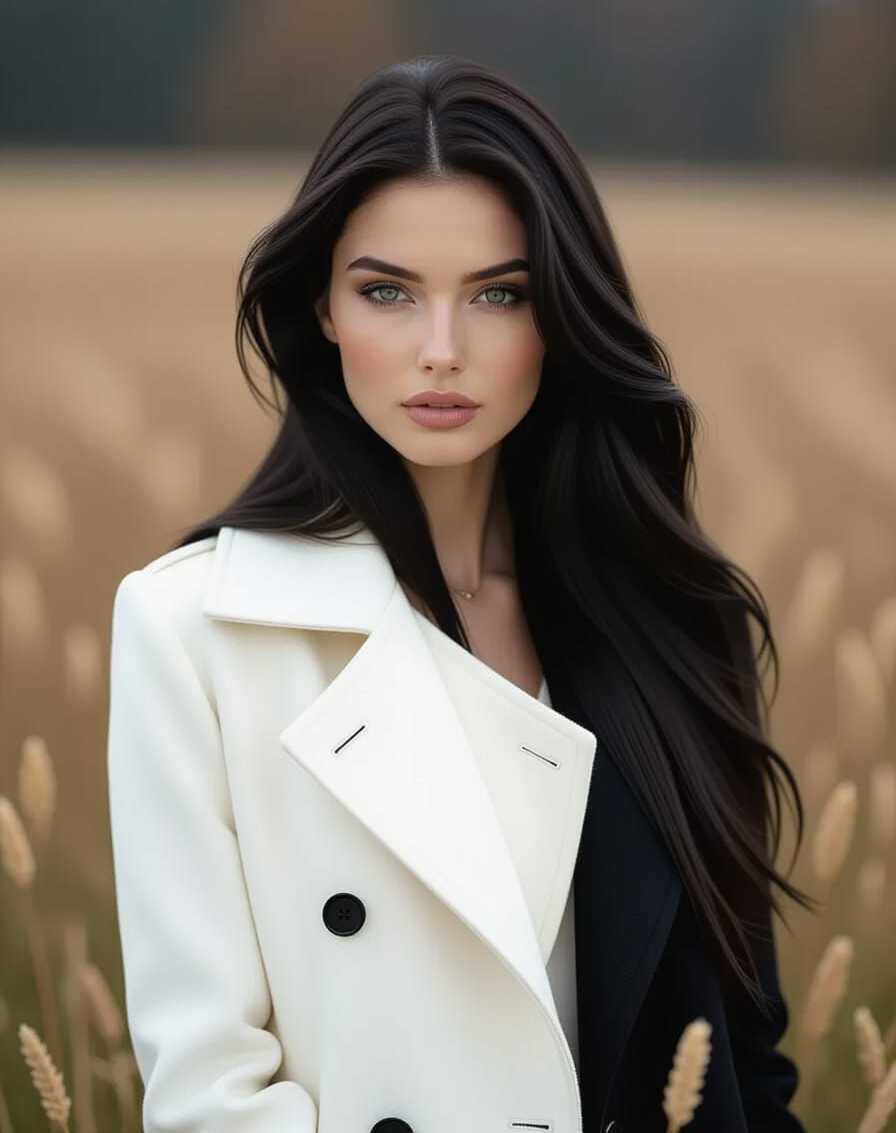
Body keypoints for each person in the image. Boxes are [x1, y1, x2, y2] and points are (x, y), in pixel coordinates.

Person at [106, 55, 815, 1133]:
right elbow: (209, 1100)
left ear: (563, 316)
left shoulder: (674, 616)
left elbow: (741, 1063)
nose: (442, 353)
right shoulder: (193, 634)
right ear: (322, 309)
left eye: (498, 294)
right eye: (386, 291)